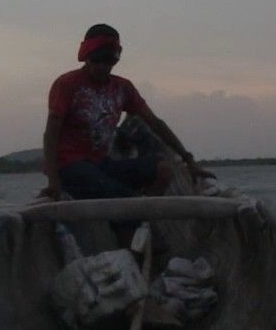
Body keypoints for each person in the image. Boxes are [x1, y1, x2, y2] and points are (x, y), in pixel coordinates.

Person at [40, 23, 213, 202]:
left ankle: (132, 222)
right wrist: (53, 180)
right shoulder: (67, 84)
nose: (102, 67)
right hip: (70, 165)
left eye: (108, 61)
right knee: (123, 197)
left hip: (101, 163)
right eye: (96, 60)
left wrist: (188, 159)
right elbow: (51, 133)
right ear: (86, 57)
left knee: (163, 170)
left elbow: (155, 123)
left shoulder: (123, 88)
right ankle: (129, 215)